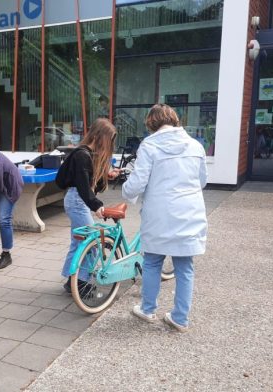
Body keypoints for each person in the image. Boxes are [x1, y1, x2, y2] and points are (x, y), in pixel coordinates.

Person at [123, 104, 207, 332]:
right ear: (174, 120)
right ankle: (180, 318)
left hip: (159, 213)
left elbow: (138, 182)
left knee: (152, 262)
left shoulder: (149, 145)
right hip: (190, 212)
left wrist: (126, 192)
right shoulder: (195, 145)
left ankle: (148, 309)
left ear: (152, 123)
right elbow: (202, 181)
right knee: (185, 266)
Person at [60, 118, 120, 293]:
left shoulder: (87, 154)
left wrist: (106, 175)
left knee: (78, 243)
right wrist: (97, 206)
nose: (110, 144)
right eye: (109, 139)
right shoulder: (82, 155)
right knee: (92, 243)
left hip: (78, 201)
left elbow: (88, 185)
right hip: (78, 201)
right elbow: (83, 187)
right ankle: (80, 284)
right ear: (99, 136)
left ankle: (71, 281)